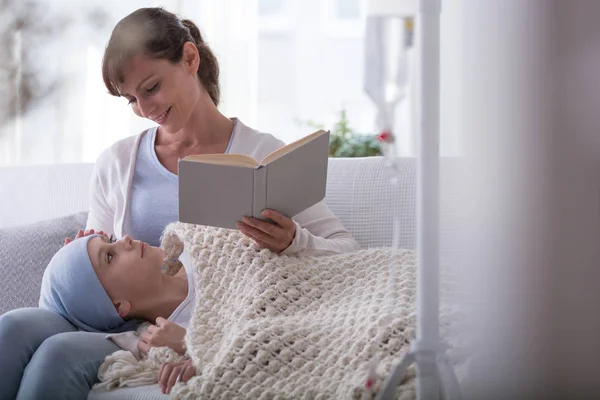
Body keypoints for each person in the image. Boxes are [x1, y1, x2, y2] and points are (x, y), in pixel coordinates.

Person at [0, 6, 359, 400]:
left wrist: (293, 242)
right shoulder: (117, 163)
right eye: (131, 100)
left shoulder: (261, 155)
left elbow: (347, 255)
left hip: (163, 331)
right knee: (12, 327)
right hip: (112, 316)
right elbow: (99, 267)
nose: (145, 110)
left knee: (58, 354)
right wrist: (83, 255)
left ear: (190, 59)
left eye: (151, 88)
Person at [39, 233, 196, 394]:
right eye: (109, 256)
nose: (126, 239)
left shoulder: (197, 245)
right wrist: (189, 344)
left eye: (112, 240)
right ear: (118, 306)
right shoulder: (170, 340)